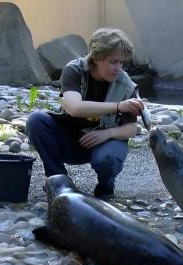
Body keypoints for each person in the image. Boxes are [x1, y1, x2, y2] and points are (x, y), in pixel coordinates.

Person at [26, 27, 144, 200]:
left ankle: (105, 187)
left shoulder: (126, 85)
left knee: (110, 156)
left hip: (101, 144)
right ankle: (59, 182)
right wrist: (119, 106)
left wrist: (108, 133)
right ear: (97, 58)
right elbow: (74, 107)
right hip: (70, 140)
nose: (118, 68)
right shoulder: (74, 70)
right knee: (36, 120)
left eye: (121, 62)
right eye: (113, 62)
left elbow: (132, 129)